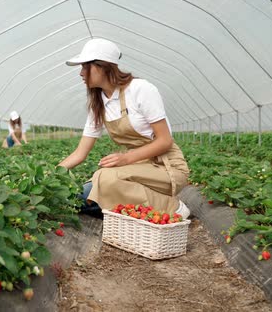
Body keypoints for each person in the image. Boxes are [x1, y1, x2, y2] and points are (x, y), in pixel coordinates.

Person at [57, 38, 190, 218]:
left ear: (102, 66)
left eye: (84, 67)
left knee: (103, 180)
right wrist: (50, 177)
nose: (81, 73)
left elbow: (165, 141)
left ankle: (171, 207)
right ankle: (146, 205)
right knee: (85, 196)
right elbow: (80, 154)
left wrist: (126, 158)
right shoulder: (99, 104)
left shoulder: (140, 89)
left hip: (166, 167)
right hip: (136, 169)